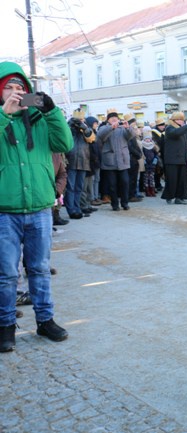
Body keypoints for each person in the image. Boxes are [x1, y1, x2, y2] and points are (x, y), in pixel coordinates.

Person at [0, 61, 74, 352]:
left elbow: (64, 143)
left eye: (22, 89)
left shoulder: (41, 120)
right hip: (5, 211)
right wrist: (4, 117)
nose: (17, 94)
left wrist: (52, 110)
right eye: (10, 88)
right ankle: (5, 326)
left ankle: (45, 320)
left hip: (40, 210)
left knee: (40, 269)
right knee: (6, 273)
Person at [97, 108, 135, 211]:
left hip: (123, 160)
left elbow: (131, 136)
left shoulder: (122, 128)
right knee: (112, 185)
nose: (114, 119)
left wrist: (128, 128)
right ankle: (115, 204)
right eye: (112, 118)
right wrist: (111, 128)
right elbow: (100, 135)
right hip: (110, 161)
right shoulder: (104, 128)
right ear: (108, 120)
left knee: (125, 182)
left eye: (116, 117)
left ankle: (125, 203)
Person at [64, 109, 94, 219]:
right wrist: (70, 125)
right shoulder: (69, 127)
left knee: (79, 187)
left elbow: (91, 139)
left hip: (83, 161)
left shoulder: (86, 128)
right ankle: (71, 210)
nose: (79, 122)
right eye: (78, 120)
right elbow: (64, 137)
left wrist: (84, 127)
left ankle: (77, 208)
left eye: (81, 120)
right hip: (71, 161)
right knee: (70, 187)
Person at [161, 112, 187, 205]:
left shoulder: (180, 129)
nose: (182, 121)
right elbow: (176, 133)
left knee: (181, 180)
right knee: (172, 180)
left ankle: (179, 197)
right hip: (172, 160)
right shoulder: (169, 128)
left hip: (181, 159)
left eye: (183, 120)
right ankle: (169, 196)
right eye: (180, 119)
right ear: (174, 120)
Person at [141, 126, 160, 197]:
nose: (148, 140)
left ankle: (152, 189)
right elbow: (142, 155)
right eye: (146, 139)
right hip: (146, 164)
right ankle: (147, 190)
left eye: (149, 139)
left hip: (152, 165)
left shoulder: (153, 146)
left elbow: (156, 155)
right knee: (146, 178)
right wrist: (145, 162)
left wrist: (154, 162)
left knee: (151, 178)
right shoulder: (142, 146)